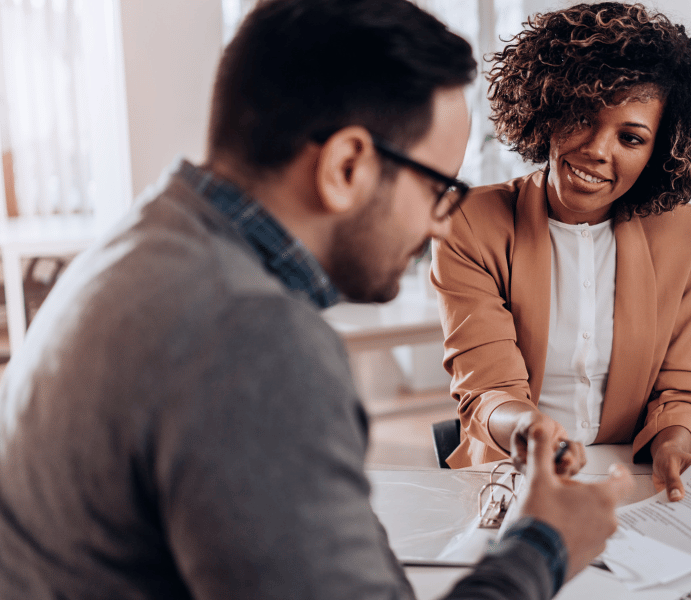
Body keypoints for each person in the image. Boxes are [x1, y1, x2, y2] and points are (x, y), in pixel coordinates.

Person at [0, 1, 633, 599]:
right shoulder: (248, 338)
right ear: (346, 166)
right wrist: (545, 545)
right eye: (441, 188)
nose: (443, 224)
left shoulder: (150, 240)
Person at [432, 2, 691, 503]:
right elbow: (488, 390)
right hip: (514, 478)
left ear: (658, 153)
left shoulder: (681, 232)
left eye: (630, 138)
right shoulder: (471, 223)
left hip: (635, 484)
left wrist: (676, 441)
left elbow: (682, 385)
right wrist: (532, 434)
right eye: (582, 117)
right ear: (548, 108)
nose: (597, 149)